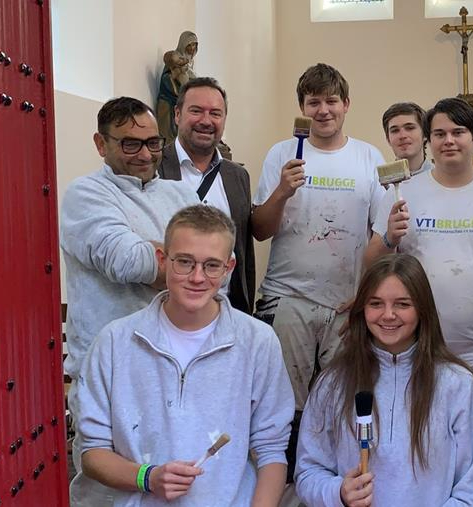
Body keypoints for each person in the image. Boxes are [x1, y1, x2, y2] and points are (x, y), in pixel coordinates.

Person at [72, 204, 293, 506]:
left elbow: (271, 449)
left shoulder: (258, 341)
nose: (197, 277)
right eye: (185, 262)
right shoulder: (114, 342)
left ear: (228, 268)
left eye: (211, 265)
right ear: (163, 260)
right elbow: (93, 453)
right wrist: (148, 477)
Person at [62, 97, 199, 506]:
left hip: (177, 366)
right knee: (109, 488)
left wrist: (162, 257)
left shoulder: (181, 193)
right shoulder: (86, 194)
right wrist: (187, 262)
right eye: (130, 144)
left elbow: (217, 265)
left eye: (153, 143)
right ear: (100, 144)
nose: (144, 154)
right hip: (109, 372)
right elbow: (127, 261)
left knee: (174, 482)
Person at [251, 63, 385, 472]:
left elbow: (380, 234)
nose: (323, 110)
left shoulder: (368, 157)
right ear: (302, 107)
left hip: (346, 304)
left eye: (331, 101)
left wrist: (364, 294)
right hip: (288, 299)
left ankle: (335, 481)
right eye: (314, 102)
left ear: (346, 104)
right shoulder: (282, 153)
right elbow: (259, 230)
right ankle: (283, 482)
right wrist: (281, 192)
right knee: (283, 405)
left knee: (341, 401)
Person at [364, 97, 473, 390]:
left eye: (458, 132)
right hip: (418, 348)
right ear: (429, 140)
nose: (449, 141)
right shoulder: (401, 194)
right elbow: (371, 263)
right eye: (440, 134)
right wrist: (390, 238)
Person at [295, 254, 473, 507]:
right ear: (362, 309)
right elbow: (308, 471)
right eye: (376, 303)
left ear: (422, 309)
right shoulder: (332, 383)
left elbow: (472, 489)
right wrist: (338, 492)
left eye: (402, 304)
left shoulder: (458, 385)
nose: (388, 315)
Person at [159, 77, 256, 314]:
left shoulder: (238, 176)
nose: (206, 121)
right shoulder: (154, 168)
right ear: (177, 114)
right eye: (196, 111)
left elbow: (244, 252)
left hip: (226, 313)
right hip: (166, 313)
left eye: (215, 113)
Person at [156, 30, 198, 143]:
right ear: (183, 44)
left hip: (180, 103)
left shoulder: (189, 62)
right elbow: (166, 80)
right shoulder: (173, 60)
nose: (192, 48)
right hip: (168, 102)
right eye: (190, 45)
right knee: (168, 133)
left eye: (194, 45)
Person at [381, 102, 432, 176]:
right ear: (388, 139)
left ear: (425, 134)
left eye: (410, 128)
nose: (402, 136)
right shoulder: (377, 181)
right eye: (395, 130)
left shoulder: (442, 178)